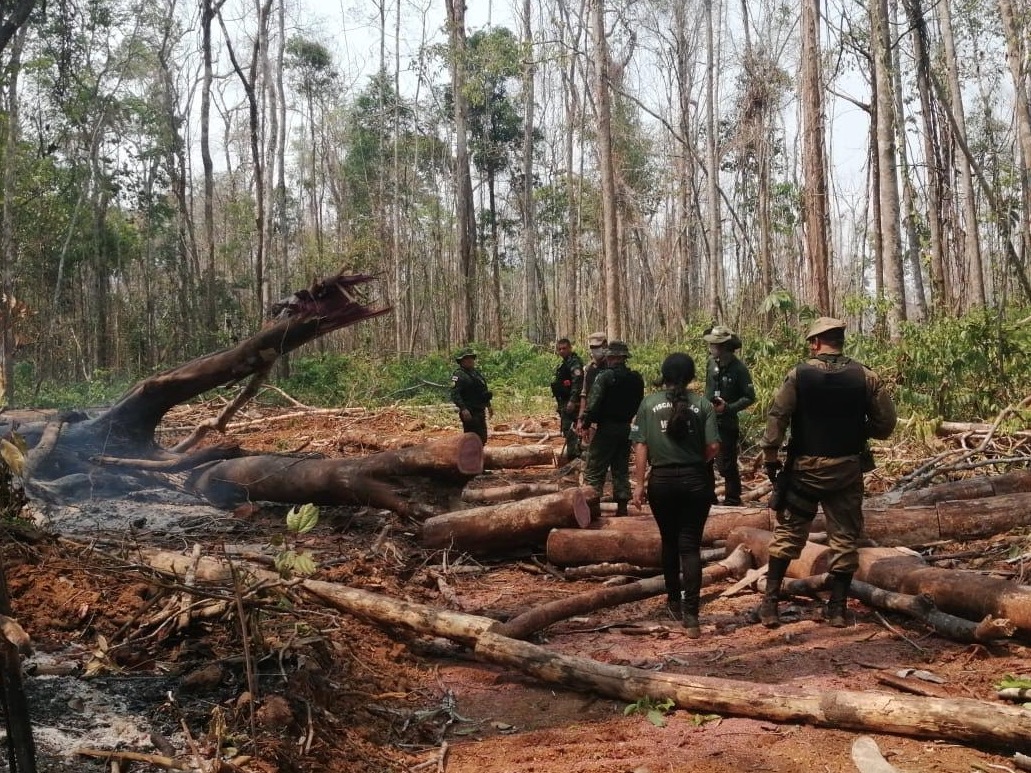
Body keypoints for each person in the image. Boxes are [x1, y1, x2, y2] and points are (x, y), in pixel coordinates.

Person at [758, 317, 897, 628]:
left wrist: (770, 455)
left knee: (789, 535)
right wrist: (859, 428)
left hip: (805, 471)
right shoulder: (866, 376)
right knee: (845, 538)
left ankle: (769, 606)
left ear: (816, 343)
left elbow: (778, 416)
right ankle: (837, 608)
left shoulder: (798, 375)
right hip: (846, 469)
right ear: (840, 341)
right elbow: (885, 425)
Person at [630, 353, 720, 637]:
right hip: (696, 481)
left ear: (663, 374)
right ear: (691, 376)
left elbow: (641, 446)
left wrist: (639, 484)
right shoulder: (703, 404)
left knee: (669, 542)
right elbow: (714, 447)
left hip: (662, 482)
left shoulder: (649, 404)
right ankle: (692, 616)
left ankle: (673, 602)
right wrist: (695, 462)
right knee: (690, 546)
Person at [581, 341, 644, 516]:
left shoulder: (605, 377)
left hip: (606, 429)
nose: (607, 359)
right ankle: (622, 508)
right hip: (625, 428)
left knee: (594, 470)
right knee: (621, 469)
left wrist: (585, 423)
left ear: (615, 357)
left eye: (609, 356)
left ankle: (592, 509)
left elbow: (593, 404)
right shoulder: (636, 378)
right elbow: (639, 403)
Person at [702, 325, 756, 506]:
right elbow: (707, 390)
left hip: (727, 422)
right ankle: (708, 497)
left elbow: (749, 397)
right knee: (705, 459)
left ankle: (733, 499)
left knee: (727, 464)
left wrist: (728, 408)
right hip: (708, 420)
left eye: (714, 345)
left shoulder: (739, 369)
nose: (711, 348)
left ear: (724, 347)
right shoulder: (710, 363)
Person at [551, 338, 585, 461]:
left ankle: (575, 458)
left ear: (570, 348)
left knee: (572, 430)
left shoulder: (574, 363)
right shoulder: (564, 363)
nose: (562, 351)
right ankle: (574, 456)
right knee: (567, 430)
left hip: (572, 403)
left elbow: (577, 383)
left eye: (564, 348)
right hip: (564, 401)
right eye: (559, 349)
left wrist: (572, 400)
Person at [450, 349, 493, 444]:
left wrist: (488, 405)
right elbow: (455, 393)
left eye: (471, 358)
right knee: (472, 438)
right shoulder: (459, 375)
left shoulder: (476, 373)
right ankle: (470, 458)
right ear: (461, 361)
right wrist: (463, 409)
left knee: (482, 438)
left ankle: (480, 456)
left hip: (480, 410)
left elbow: (483, 391)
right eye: (466, 359)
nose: (470, 361)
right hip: (469, 412)